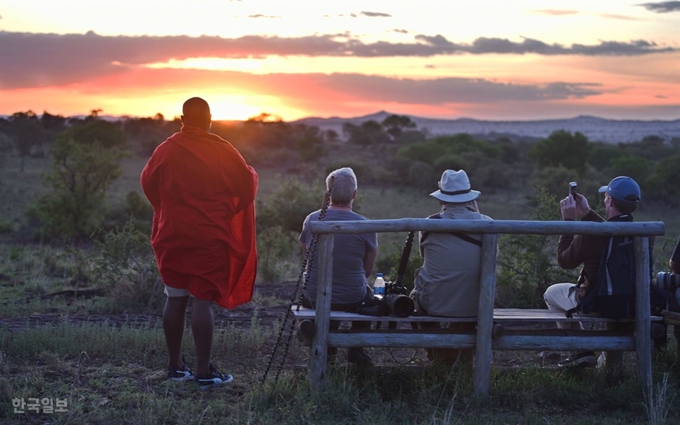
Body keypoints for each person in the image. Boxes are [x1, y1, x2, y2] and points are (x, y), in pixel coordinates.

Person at [140, 97, 258, 389]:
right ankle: (204, 372)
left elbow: (147, 183)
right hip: (209, 236)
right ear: (209, 119)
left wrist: (167, 208)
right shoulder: (222, 149)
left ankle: (176, 367)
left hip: (172, 235)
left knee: (175, 297)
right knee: (202, 299)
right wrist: (227, 209)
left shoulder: (165, 150)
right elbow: (247, 184)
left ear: (182, 119)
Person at [543, 176, 641, 368]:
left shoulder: (590, 236)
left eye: (606, 197)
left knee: (551, 293)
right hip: (632, 300)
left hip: (598, 301)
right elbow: (609, 230)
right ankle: (604, 359)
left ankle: (580, 350)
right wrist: (587, 214)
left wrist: (569, 222)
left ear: (610, 201)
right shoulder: (642, 232)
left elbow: (564, 261)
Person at [409, 169, 491, 364]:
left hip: (435, 303)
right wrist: (477, 214)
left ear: (442, 200)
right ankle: (463, 359)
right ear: (470, 198)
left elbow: (424, 256)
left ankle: (439, 354)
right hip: (477, 304)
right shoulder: (487, 224)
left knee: (414, 298)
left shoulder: (429, 224)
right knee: (467, 294)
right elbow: (491, 259)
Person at [299, 167, 378, 365]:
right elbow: (367, 271)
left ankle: (328, 350)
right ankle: (357, 349)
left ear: (328, 193)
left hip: (313, 295)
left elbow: (307, 259)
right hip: (351, 297)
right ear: (354, 194)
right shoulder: (365, 225)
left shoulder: (311, 220)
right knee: (368, 296)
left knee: (326, 293)